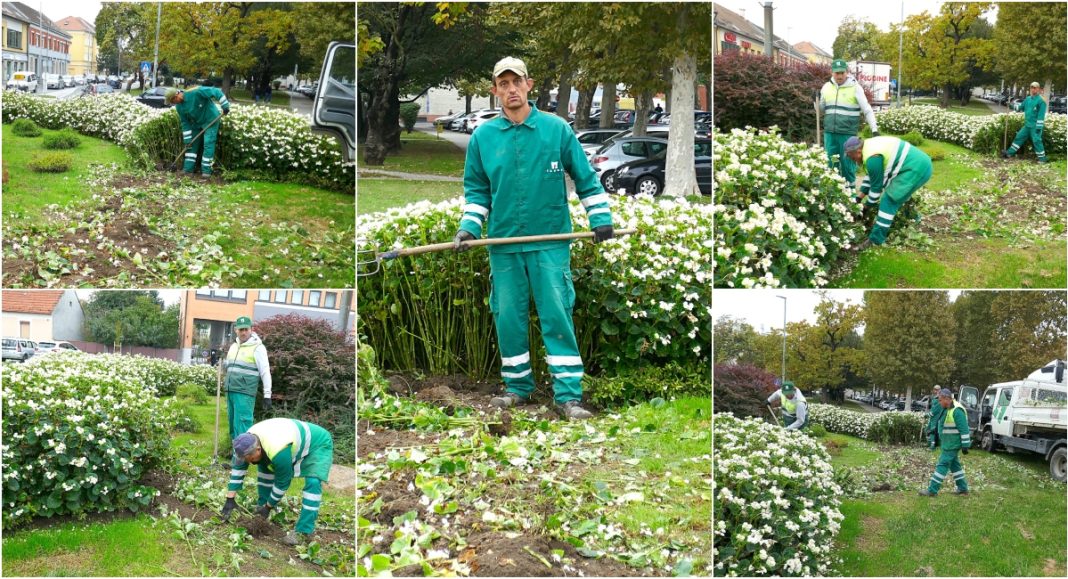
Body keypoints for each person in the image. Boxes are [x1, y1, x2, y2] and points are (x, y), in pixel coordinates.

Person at [452, 56, 614, 420]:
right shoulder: (483, 137)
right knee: (507, 316)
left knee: (557, 314)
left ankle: (569, 396)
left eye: (516, 82)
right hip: (503, 246)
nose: (511, 89)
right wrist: (469, 227)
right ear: (494, 91)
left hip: (550, 242)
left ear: (529, 85)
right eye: (503, 84)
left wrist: (601, 218)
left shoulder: (557, 129)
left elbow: (586, 179)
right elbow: (477, 192)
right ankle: (518, 388)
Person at [222, 418, 334, 545]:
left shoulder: (277, 449)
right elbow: (238, 468)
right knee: (264, 468)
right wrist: (230, 499)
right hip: (285, 439)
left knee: (313, 482)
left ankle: (303, 531)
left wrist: (269, 507)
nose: (249, 462)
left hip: (318, 443)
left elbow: (282, 482)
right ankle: (261, 508)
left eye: (250, 459)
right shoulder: (246, 441)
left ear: (258, 449)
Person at [843, 135, 933, 251]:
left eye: (851, 156)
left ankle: (875, 240)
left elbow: (876, 188)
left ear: (858, 151)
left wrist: (867, 207)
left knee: (889, 200)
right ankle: (914, 218)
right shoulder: (868, 147)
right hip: (919, 164)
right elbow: (871, 176)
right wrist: (858, 199)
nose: (851, 159)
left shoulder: (872, 158)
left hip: (917, 168)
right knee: (899, 194)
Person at [820, 59, 879, 194]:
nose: (840, 76)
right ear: (832, 72)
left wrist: (874, 129)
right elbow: (821, 109)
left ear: (847, 72)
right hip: (830, 133)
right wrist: (818, 103)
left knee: (847, 167)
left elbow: (867, 109)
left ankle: (851, 196)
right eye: (837, 73)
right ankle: (833, 195)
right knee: (831, 165)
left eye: (842, 73)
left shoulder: (855, 88)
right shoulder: (826, 87)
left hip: (847, 134)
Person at [223, 316, 273, 466]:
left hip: (245, 393)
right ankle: (236, 460)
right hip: (231, 391)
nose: (243, 332)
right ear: (236, 330)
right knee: (233, 427)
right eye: (241, 329)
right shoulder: (233, 346)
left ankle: (241, 464)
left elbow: (265, 371)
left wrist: (267, 395)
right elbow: (230, 367)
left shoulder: (258, 348)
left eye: (246, 329)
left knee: (243, 428)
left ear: (251, 329)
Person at [165, 85, 230, 178]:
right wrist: (187, 140)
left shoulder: (195, 92)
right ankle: (188, 170)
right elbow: (185, 123)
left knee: (208, 144)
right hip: (197, 123)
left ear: (177, 96)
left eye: (172, 101)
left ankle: (206, 171)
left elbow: (215, 91)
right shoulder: (179, 107)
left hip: (210, 119)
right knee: (191, 145)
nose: (173, 103)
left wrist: (225, 105)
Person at [920, 388, 971, 496]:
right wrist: (933, 431)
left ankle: (932, 490)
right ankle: (963, 488)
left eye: (940, 400)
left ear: (947, 399)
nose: (939, 402)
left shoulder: (957, 410)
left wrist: (966, 445)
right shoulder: (946, 408)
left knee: (942, 465)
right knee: (955, 466)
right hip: (947, 442)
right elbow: (943, 424)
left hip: (952, 444)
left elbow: (964, 429)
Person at [1002, 82, 1048, 163]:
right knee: (1019, 137)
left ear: (1038, 89)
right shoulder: (1028, 99)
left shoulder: (1041, 101)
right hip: (1027, 125)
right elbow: (1020, 107)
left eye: (1035, 87)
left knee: (1037, 141)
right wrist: (1011, 105)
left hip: (1035, 126)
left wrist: (1039, 127)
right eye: (1032, 87)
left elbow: (1041, 116)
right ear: (1030, 88)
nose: (1033, 89)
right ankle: (1009, 153)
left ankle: (1042, 159)